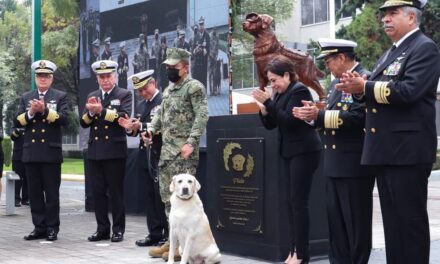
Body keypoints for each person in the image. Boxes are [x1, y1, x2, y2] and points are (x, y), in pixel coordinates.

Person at [335, 1, 440, 263]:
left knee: (410, 223)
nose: (385, 19)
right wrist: (358, 90)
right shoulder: (390, 53)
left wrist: (365, 86)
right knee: (393, 226)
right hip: (386, 150)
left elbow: (409, 91)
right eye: (384, 15)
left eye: (393, 14)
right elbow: (376, 94)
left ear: (412, 18)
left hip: (407, 150)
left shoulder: (424, 47)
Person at [293, 39, 374, 264]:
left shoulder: (364, 78)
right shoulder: (335, 83)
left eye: (328, 61)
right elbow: (331, 118)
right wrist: (312, 116)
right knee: (336, 226)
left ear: (341, 58)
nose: (326, 67)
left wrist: (317, 116)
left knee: (355, 226)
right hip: (334, 163)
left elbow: (358, 118)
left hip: (354, 165)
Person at [252, 56, 321, 264]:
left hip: (304, 151)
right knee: (290, 204)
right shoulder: (280, 94)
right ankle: (293, 250)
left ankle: (301, 254)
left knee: (299, 204)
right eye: (270, 81)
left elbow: (290, 121)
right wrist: (264, 108)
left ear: (287, 75)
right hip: (289, 152)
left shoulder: (298, 90)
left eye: (274, 80)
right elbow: (272, 123)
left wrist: (269, 103)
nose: (272, 84)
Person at [146, 48, 209, 262]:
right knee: (168, 199)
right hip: (167, 152)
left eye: (174, 67)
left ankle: (184, 247)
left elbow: (202, 115)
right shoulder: (169, 90)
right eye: (168, 67)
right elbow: (160, 116)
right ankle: (172, 241)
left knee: (185, 200)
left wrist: (192, 142)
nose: (170, 70)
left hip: (183, 153)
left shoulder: (194, 87)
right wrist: (150, 130)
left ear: (185, 67)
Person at [15, 60, 68, 241]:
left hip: (50, 153)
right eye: (40, 76)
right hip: (31, 152)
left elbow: (65, 120)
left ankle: (52, 228)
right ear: (35, 78)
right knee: (35, 193)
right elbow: (18, 121)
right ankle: (39, 227)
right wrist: (31, 112)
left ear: (51, 78)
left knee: (51, 194)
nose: (43, 79)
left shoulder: (60, 96)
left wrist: (44, 110)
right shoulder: (26, 97)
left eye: (46, 76)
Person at [80, 60, 132, 243]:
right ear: (97, 79)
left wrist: (101, 110)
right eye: (102, 77)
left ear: (115, 76)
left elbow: (122, 118)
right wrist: (91, 113)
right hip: (95, 151)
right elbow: (84, 122)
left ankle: (118, 229)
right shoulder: (93, 95)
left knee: (116, 193)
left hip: (115, 151)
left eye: (108, 76)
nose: (105, 80)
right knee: (98, 193)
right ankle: (102, 229)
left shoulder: (124, 94)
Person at [118, 70, 168, 247]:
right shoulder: (140, 105)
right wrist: (130, 128)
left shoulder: (164, 101)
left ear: (153, 83)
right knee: (150, 196)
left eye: (145, 88)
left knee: (162, 197)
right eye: (139, 90)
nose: (142, 93)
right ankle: (153, 233)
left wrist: (142, 125)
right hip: (145, 155)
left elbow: (165, 125)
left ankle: (167, 234)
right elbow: (137, 130)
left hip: (161, 154)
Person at [11, 127, 29, 207]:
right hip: (18, 157)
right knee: (17, 180)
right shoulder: (15, 127)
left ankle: (26, 199)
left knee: (27, 179)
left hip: (29, 157)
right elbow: (13, 137)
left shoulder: (30, 126)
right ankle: (16, 199)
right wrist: (17, 130)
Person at [192, 17, 210, 88]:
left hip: (203, 62)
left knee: (203, 79)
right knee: (197, 80)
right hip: (197, 62)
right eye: (200, 25)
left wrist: (202, 51)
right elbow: (193, 49)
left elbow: (208, 49)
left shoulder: (207, 36)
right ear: (198, 26)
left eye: (202, 25)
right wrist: (195, 50)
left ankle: (204, 94)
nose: (201, 26)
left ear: (204, 25)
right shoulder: (196, 36)